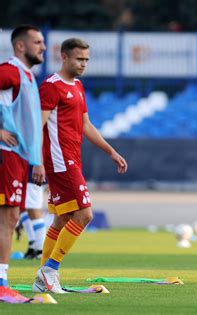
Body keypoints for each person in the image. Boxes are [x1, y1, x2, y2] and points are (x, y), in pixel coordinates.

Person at [32, 38, 128, 294]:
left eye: (86, 59)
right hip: (60, 161)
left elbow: (86, 125)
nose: (84, 64)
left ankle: (43, 278)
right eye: (79, 59)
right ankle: (50, 270)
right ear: (64, 57)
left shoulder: (77, 86)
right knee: (84, 214)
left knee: (62, 217)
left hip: (71, 158)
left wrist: (111, 151)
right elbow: (37, 126)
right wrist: (37, 161)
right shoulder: (51, 87)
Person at [0, 25, 46, 299]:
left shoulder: (27, 76)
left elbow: (28, 126)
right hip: (6, 155)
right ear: (20, 46)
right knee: (7, 219)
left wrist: (36, 161)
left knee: (11, 217)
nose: (43, 46)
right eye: (38, 42)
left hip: (18, 159)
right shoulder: (9, 71)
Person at [19, 169, 47, 259]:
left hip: (32, 177)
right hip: (23, 176)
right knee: (23, 209)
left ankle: (41, 250)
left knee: (34, 211)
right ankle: (33, 245)